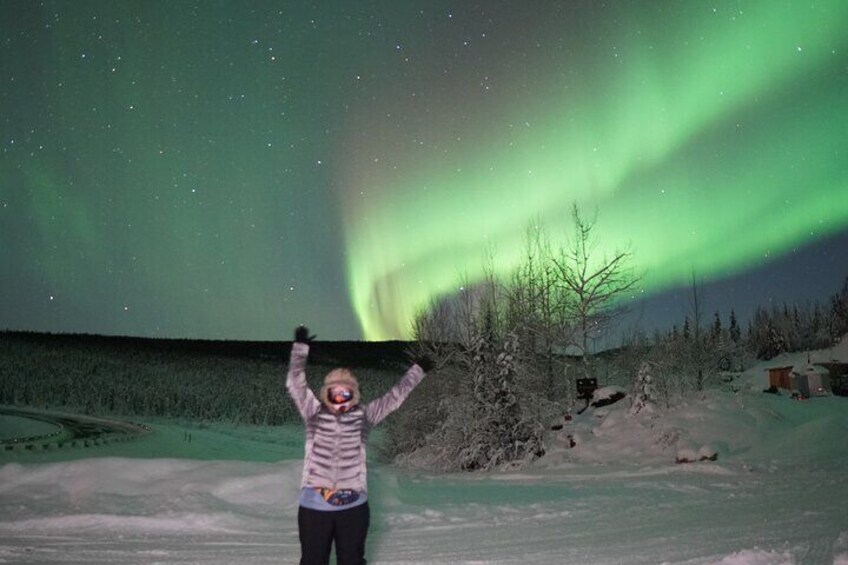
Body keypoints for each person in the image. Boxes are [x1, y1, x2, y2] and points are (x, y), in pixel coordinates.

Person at [286, 325, 431, 565]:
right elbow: (295, 384)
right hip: (314, 507)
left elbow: (394, 398)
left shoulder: (365, 416)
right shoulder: (313, 413)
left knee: (352, 561)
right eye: (335, 394)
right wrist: (300, 348)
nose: (340, 399)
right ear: (326, 394)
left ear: (354, 396)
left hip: (353, 509)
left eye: (346, 394)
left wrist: (418, 371)